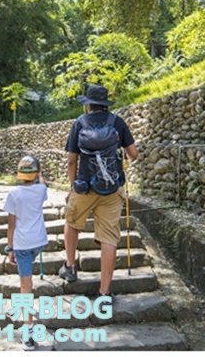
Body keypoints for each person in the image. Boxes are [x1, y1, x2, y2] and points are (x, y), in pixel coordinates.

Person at [60, 84, 138, 314]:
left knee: (72, 222)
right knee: (109, 237)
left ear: (88, 104)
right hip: (112, 190)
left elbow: (71, 160)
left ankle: (70, 267)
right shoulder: (117, 122)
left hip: (84, 186)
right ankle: (104, 292)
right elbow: (133, 155)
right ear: (105, 103)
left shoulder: (80, 123)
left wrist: (72, 185)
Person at [4, 154, 49, 349]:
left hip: (21, 244)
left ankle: (28, 331)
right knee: (27, 280)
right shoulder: (41, 190)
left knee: (25, 286)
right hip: (38, 241)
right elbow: (42, 182)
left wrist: (10, 248)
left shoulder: (14, 194)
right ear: (36, 173)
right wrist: (40, 174)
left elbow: (11, 225)